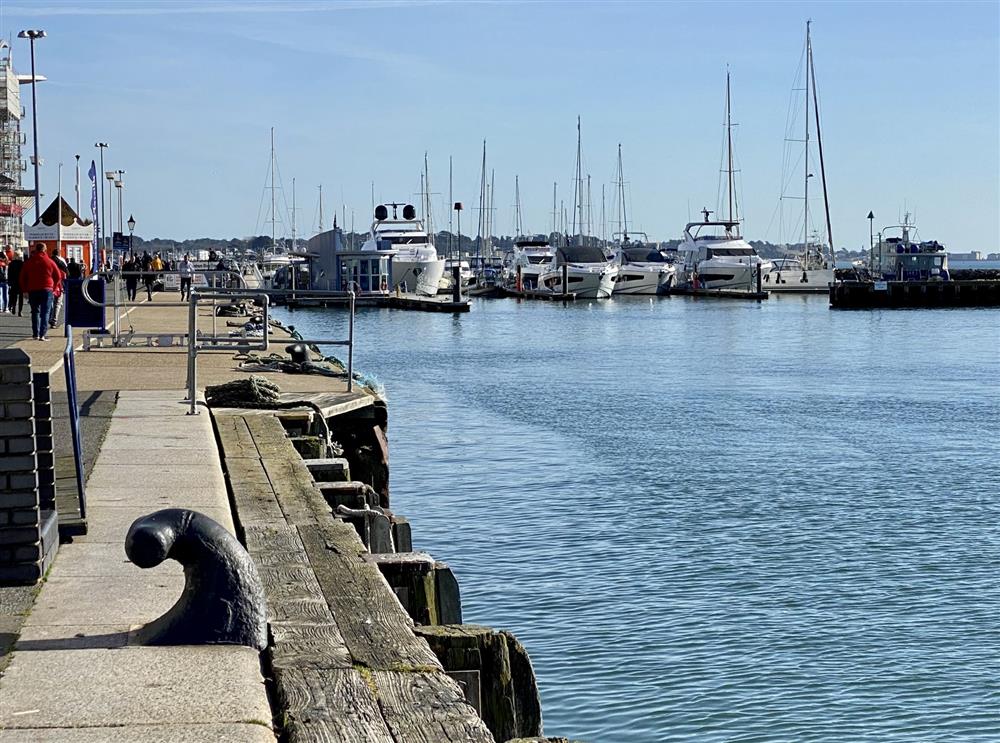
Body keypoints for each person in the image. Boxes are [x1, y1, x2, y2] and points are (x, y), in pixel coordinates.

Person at [19, 243, 61, 341]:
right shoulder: (49, 262)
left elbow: (22, 277)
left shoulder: (29, 262)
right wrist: (54, 287)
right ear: (45, 250)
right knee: (45, 312)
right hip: (47, 289)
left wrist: (25, 290)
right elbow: (58, 276)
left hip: (32, 290)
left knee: (35, 312)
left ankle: (35, 334)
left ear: (36, 249)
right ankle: (42, 334)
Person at [49, 250, 68, 329]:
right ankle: (54, 320)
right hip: (59, 285)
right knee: (58, 303)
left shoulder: (48, 261)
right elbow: (67, 273)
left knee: (49, 303)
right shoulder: (62, 262)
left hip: (48, 284)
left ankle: (49, 317)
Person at [7, 249, 24, 316]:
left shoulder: (11, 264)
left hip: (13, 282)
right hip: (21, 282)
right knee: (21, 297)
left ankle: (14, 306)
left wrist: (9, 281)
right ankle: (20, 311)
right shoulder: (22, 264)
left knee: (14, 296)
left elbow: (9, 273)